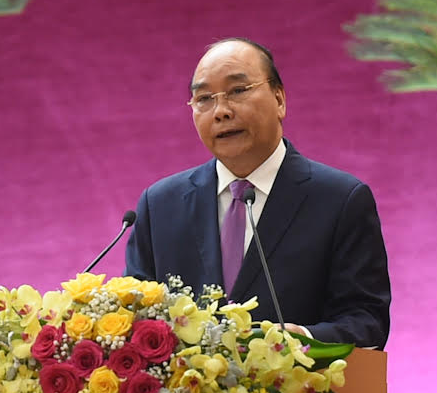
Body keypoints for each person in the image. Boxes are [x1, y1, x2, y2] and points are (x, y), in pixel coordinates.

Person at [126, 38, 391, 347]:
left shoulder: (341, 200)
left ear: (279, 100)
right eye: (204, 98)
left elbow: (367, 321)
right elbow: (136, 318)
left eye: (238, 91)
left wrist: (303, 340)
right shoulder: (160, 205)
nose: (221, 111)